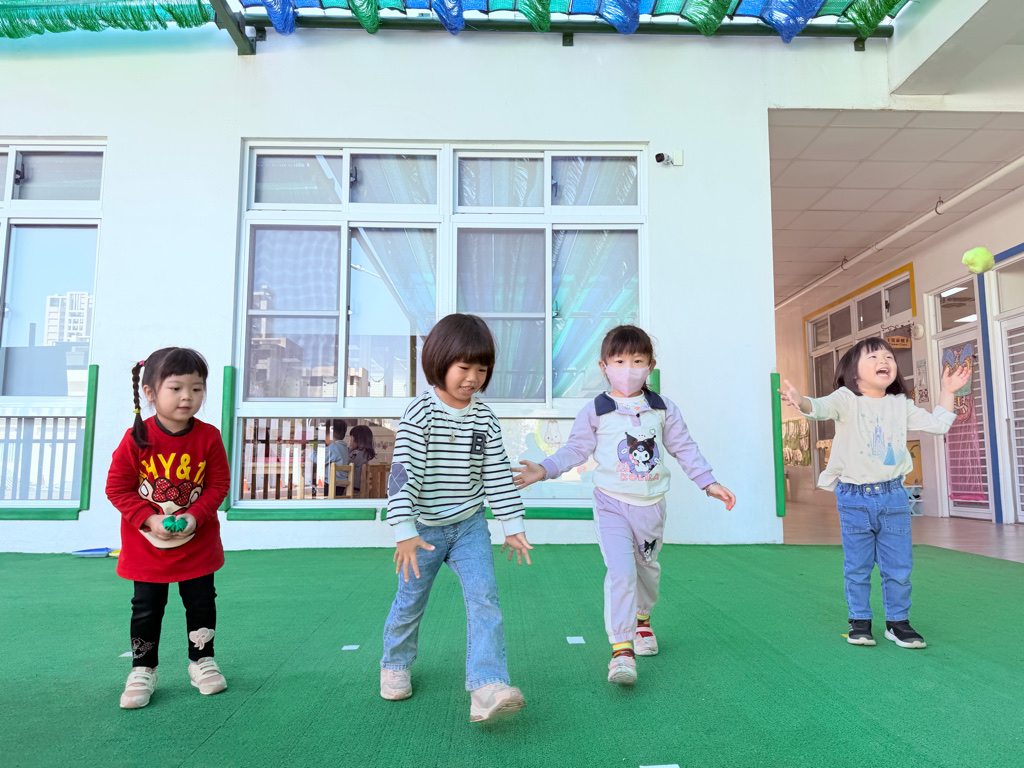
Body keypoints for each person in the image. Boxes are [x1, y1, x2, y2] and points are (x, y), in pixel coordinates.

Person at [514, 325, 735, 686]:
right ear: (604, 366)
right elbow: (575, 449)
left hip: (651, 505)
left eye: (637, 361)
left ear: (650, 366)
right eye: (619, 361)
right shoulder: (596, 410)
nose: (628, 368)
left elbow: (684, 448)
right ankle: (621, 651)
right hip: (611, 504)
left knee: (647, 569)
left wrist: (708, 482)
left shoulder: (662, 408)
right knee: (621, 572)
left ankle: (642, 620)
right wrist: (545, 468)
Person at [380, 313, 533, 722]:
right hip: (423, 529)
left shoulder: (485, 417)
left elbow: (496, 474)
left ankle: (487, 685)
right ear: (440, 362)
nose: (473, 378)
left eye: (482, 369)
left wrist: (512, 526)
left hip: (469, 525)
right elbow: (403, 474)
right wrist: (403, 530)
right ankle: (395, 662)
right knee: (410, 600)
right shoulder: (420, 413)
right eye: (464, 367)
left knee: (485, 597)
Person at [779, 337, 970, 649]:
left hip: (893, 496)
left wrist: (947, 391)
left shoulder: (900, 404)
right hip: (854, 498)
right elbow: (820, 408)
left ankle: (898, 623)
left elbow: (937, 425)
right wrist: (800, 401)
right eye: (873, 357)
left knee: (899, 567)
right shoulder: (846, 399)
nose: (884, 361)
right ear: (854, 372)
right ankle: (860, 621)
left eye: (889, 357)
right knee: (858, 566)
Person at [105, 348, 230, 709]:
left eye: (196, 388)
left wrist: (195, 516)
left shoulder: (209, 437)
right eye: (176, 388)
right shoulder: (136, 439)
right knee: (146, 606)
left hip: (197, 543)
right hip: (147, 547)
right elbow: (117, 488)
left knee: (201, 602)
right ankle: (143, 668)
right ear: (149, 392)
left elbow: (218, 486)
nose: (187, 397)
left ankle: (202, 660)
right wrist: (150, 519)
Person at [346, 424, 376, 495]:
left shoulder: (359, 454)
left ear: (358, 440)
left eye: (351, 438)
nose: (350, 441)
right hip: (355, 486)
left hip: (353, 488)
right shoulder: (364, 453)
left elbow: (348, 463)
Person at [323, 419, 350, 494]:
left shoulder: (333, 447)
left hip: (330, 484)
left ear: (329, 435)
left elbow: (320, 460)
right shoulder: (344, 447)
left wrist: (310, 452)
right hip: (341, 485)